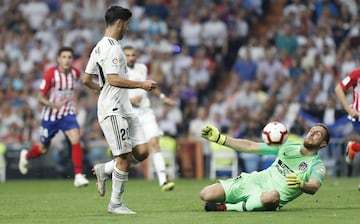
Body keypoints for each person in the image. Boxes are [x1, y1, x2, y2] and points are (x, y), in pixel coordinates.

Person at [82, 6, 157, 214]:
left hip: (124, 109)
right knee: (124, 157)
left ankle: (104, 169)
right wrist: (141, 84)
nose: (128, 28)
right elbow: (113, 79)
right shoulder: (112, 48)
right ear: (118, 23)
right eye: (127, 24)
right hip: (114, 110)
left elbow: (86, 79)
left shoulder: (98, 47)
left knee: (141, 151)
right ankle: (115, 204)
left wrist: (102, 90)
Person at [199, 123, 330, 212]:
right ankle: (240, 204)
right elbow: (251, 146)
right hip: (253, 181)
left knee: (272, 197)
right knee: (206, 194)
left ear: (323, 143)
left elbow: (314, 186)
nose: (312, 134)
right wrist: (220, 139)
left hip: (266, 196)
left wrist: (302, 184)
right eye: (311, 131)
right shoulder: (287, 146)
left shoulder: (316, 165)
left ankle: (227, 207)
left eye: (317, 134)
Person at [18, 46, 89, 188]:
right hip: (50, 116)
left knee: (76, 138)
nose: (67, 60)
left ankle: (78, 175)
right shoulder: (51, 74)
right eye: (64, 57)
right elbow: (39, 98)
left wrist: (74, 105)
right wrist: (52, 104)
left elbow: (72, 91)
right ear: (58, 59)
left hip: (67, 114)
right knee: (43, 149)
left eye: (69, 57)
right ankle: (26, 155)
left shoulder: (75, 73)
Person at [124, 45, 176, 190]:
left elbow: (149, 86)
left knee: (154, 143)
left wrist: (163, 98)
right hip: (129, 113)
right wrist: (129, 101)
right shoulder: (119, 71)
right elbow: (114, 93)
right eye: (127, 55)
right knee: (137, 153)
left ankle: (163, 180)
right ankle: (109, 168)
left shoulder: (142, 68)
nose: (130, 58)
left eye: (133, 55)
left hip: (146, 111)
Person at [335, 69, 360, 190]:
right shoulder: (357, 74)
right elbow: (339, 88)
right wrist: (348, 109)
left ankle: (353, 147)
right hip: (358, 116)